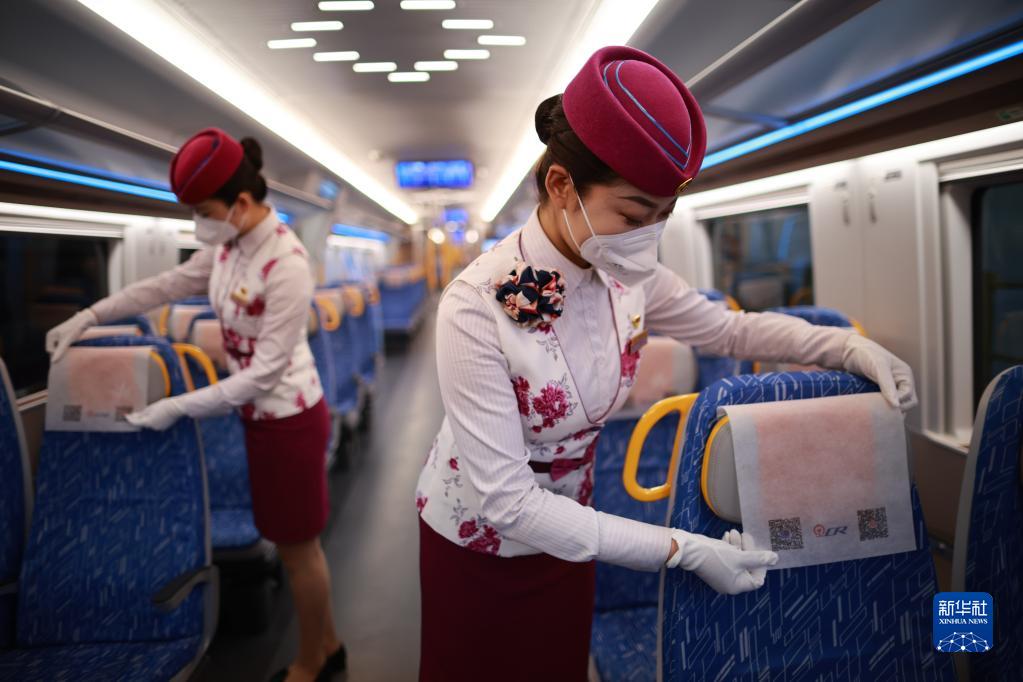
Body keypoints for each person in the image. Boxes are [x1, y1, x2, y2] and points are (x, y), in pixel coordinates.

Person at [415, 46, 917, 681]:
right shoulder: (473, 306)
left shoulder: (626, 271)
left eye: (662, 218)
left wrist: (845, 345)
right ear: (561, 184)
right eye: (631, 214)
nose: (645, 237)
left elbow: (730, 329)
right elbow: (509, 503)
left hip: (576, 534)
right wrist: (679, 548)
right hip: (479, 544)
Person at [45, 129, 346, 682]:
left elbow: (262, 376)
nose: (198, 224)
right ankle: (328, 644)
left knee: (299, 550)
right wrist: (88, 316)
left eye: (204, 211)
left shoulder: (288, 264)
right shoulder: (229, 250)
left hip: (289, 419)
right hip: (258, 419)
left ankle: (312, 661)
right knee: (290, 540)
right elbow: (159, 288)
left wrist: (177, 406)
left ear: (243, 203)